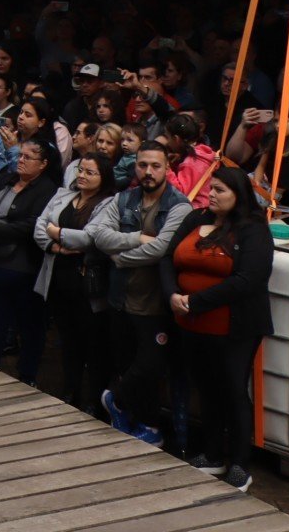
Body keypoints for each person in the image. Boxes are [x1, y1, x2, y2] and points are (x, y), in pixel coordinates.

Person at [162, 166, 274, 493]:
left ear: (238, 195)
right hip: (191, 323)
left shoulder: (253, 230)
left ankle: (240, 463)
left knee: (232, 390)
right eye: (212, 188)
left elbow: (249, 280)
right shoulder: (196, 219)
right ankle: (212, 454)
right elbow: (168, 257)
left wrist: (195, 300)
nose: (211, 194)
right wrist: (172, 294)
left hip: (234, 327)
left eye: (220, 190)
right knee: (206, 388)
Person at [91, 143, 192, 446]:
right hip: (121, 298)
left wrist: (120, 257)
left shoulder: (179, 205)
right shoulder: (123, 198)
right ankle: (138, 425)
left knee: (150, 367)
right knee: (125, 363)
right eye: (143, 165)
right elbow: (99, 235)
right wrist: (136, 237)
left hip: (156, 303)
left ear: (167, 169)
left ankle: (120, 403)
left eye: (156, 166)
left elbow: (162, 248)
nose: (148, 172)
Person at [0, 140, 58, 383]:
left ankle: (27, 375)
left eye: (28, 157)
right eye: (20, 155)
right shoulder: (5, 178)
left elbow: (31, 225)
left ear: (43, 164)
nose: (20, 160)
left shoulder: (46, 190)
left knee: (30, 325)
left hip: (25, 268)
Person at [37, 154, 114, 415]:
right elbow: (39, 226)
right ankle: (70, 393)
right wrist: (57, 246)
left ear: (103, 177)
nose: (82, 175)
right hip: (59, 276)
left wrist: (56, 232)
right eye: (81, 170)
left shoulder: (108, 203)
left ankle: (95, 401)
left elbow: (90, 238)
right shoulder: (63, 195)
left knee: (93, 345)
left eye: (90, 173)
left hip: (88, 285)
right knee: (68, 341)